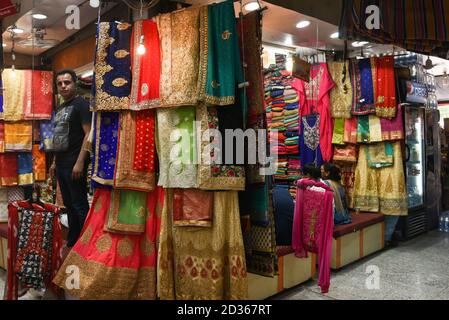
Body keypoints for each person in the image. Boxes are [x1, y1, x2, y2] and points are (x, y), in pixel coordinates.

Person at [49, 69, 92, 248]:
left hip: (75, 163)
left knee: (79, 204)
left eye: (67, 82)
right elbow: (58, 137)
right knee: (68, 203)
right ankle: (74, 240)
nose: (63, 86)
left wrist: (80, 162)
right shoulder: (60, 107)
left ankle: (84, 243)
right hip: (61, 163)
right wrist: (53, 162)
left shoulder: (81, 104)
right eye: (60, 83)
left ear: (75, 83)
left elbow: (88, 134)